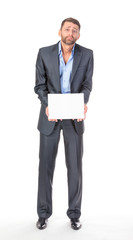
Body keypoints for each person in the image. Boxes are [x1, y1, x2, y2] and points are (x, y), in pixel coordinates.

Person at [34, 17, 94, 230]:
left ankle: (74, 214)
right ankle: (43, 214)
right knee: (45, 167)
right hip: (50, 116)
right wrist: (47, 104)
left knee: (75, 168)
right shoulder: (44, 53)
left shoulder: (87, 55)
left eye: (75, 30)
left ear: (78, 35)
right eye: (67, 29)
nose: (71, 33)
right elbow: (39, 85)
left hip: (74, 118)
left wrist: (83, 103)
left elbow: (87, 84)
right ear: (59, 31)